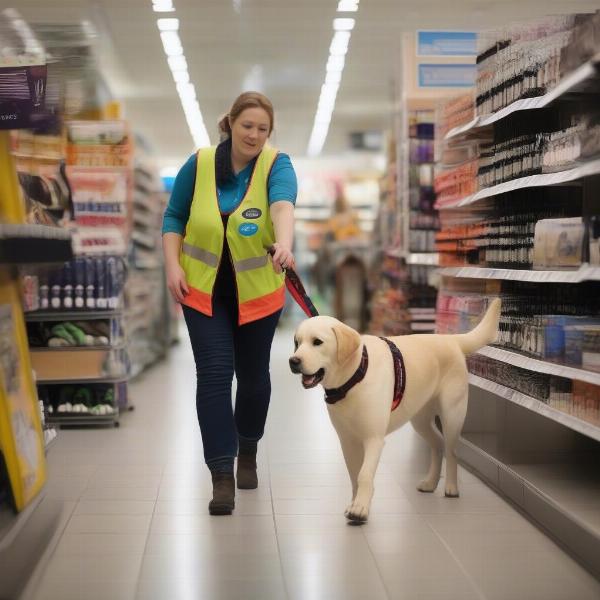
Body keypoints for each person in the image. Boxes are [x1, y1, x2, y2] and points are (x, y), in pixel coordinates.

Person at [162, 92, 297, 515]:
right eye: (247, 125)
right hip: (202, 292)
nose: (254, 135)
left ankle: (248, 448)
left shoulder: (277, 165)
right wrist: (172, 266)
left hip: (257, 292)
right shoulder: (199, 164)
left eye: (263, 129)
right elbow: (174, 217)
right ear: (230, 123)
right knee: (215, 375)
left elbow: (282, 205)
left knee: (254, 379)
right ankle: (221, 473)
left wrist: (285, 244)